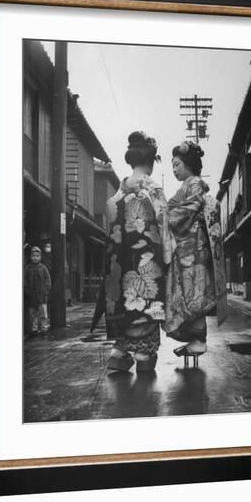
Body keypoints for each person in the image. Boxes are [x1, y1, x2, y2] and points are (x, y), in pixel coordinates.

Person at [104, 131, 171, 372]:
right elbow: (164, 228)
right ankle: (143, 356)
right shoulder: (153, 190)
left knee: (126, 305)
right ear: (151, 161)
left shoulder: (118, 193)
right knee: (148, 304)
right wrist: (167, 259)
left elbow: (111, 228)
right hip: (147, 262)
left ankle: (119, 353)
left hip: (122, 264)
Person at [163, 141, 227, 367]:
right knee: (188, 293)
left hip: (193, 249)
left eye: (177, 164)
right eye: (172, 165)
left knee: (193, 294)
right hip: (187, 248)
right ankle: (195, 338)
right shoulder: (190, 185)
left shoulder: (195, 185)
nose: (174, 169)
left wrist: (167, 215)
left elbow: (186, 210)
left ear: (188, 164)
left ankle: (198, 340)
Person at [24, 246, 51, 336]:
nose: (35, 257)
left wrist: (46, 290)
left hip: (42, 295)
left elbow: (48, 279)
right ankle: (34, 329)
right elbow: (24, 280)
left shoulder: (43, 268)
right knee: (32, 314)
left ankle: (44, 328)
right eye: (33, 256)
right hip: (31, 295)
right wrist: (26, 290)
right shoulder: (28, 268)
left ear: (40, 257)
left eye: (37, 256)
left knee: (43, 313)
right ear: (30, 257)